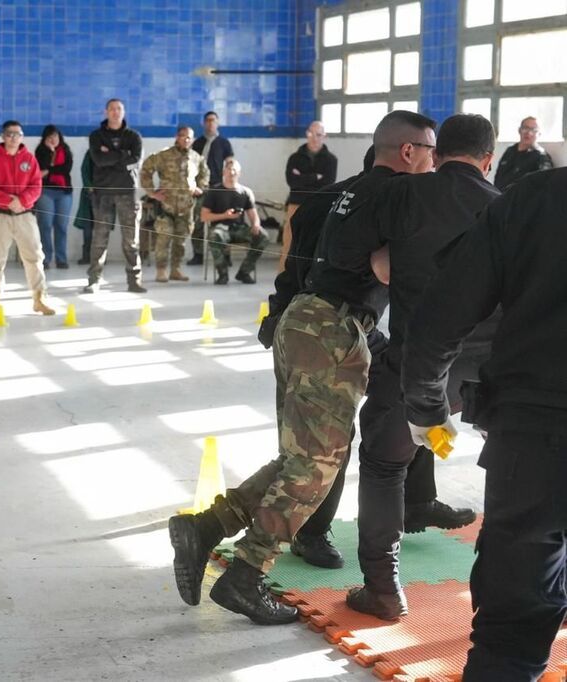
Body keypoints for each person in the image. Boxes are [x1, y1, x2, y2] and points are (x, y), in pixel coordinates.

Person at [168, 111, 436, 626]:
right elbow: (384, 269)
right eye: (430, 151)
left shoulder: (345, 192)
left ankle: (206, 527)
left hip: (303, 320)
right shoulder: (398, 194)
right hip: (332, 329)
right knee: (316, 467)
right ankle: (246, 574)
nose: (433, 162)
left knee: (300, 459)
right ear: (408, 151)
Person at [329, 114, 498, 620]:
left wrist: (394, 262)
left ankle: (383, 589)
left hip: (417, 362)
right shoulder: (504, 205)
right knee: (513, 470)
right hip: (487, 371)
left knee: (384, 466)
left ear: (436, 154)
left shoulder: (406, 194)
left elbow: (346, 251)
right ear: (488, 161)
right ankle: (502, 591)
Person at [402, 167, 567, 682]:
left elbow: (441, 314)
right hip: (531, 425)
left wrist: (427, 408)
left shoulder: (533, 199)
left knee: (511, 632)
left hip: (532, 437)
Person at [0, 120, 54, 317]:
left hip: (25, 215)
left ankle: (39, 298)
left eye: (17, 134)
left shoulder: (29, 159)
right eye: (9, 134)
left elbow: (36, 186)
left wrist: (22, 201)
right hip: (0, 216)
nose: (13, 138)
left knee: (34, 257)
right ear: (3, 136)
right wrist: (7, 201)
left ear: (22, 137)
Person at [84, 98, 145, 294]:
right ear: (106, 112)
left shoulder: (134, 137)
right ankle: (94, 280)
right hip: (103, 194)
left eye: (119, 109)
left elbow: (135, 161)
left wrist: (110, 153)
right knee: (99, 239)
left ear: (123, 112)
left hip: (127, 193)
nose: (115, 112)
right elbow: (99, 160)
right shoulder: (96, 136)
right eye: (112, 109)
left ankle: (134, 281)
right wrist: (122, 155)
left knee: (131, 241)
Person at [139, 125, 208, 283]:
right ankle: (161, 270)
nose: (186, 139)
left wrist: (200, 187)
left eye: (189, 137)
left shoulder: (196, 158)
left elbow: (205, 174)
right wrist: (152, 193)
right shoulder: (164, 155)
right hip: (166, 206)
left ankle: (176, 270)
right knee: (163, 239)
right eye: (183, 136)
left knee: (180, 241)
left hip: (186, 207)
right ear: (177, 137)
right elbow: (146, 169)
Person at [279, 121, 337, 270]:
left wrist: (302, 177)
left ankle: (312, 278)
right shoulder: (294, 158)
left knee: (317, 244)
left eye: (319, 134)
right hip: (296, 204)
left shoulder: (331, 160)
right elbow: (292, 182)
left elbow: (327, 184)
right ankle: (283, 276)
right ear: (307, 134)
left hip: (320, 207)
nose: (315, 138)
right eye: (311, 134)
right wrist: (315, 177)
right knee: (289, 242)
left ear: (324, 136)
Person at [200, 158, 267, 285]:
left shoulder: (245, 192)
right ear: (223, 172)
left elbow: (253, 214)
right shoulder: (214, 191)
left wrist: (256, 224)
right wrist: (224, 215)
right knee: (214, 236)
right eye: (229, 169)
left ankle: (244, 272)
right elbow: (204, 216)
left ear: (239, 173)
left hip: (239, 228)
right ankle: (222, 273)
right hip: (220, 228)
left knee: (263, 236)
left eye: (235, 170)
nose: (232, 172)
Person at [189, 111, 234, 266]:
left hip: (218, 189)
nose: (210, 123)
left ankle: (225, 256)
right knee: (197, 222)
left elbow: (230, 163)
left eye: (213, 120)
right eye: (207, 120)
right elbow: (190, 164)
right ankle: (198, 255)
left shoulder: (224, 143)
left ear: (217, 122)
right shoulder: (197, 143)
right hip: (200, 189)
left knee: (222, 222)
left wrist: (229, 184)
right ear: (203, 123)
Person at [34, 124, 73, 269]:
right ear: (45, 138)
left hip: (64, 192)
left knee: (61, 226)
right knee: (45, 225)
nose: (53, 139)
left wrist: (49, 170)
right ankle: (45, 258)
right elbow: (40, 169)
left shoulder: (66, 150)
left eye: (55, 136)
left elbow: (66, 169)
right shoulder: (40, 151)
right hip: (46, 191)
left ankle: (61, 259)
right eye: (50, 137)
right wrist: (51, 153)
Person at [493, 116, 553, 191]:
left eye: (533, 130)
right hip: (500, 195)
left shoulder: (541, 156)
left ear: (539, 134)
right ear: (519, 130)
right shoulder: (510, 151)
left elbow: (544, 185)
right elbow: (498, 176)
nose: (529, 133)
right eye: (525, 128)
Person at [73, 150, 95, 265]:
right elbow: (84, 171)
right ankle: (86, 256)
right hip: (89, 194)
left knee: (101, 227)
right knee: (87, 226)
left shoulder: (110, 153)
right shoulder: (90, 153)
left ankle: (99, 256)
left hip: (105, 194)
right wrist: (89, 187)